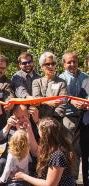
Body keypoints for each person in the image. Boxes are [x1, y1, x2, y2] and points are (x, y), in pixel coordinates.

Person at [14, 117, 76, 186]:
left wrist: (24, 176)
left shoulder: (57, 155)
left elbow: (50, 184)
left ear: (44, 134)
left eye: (39, 129)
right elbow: (35, 151)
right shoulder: (52, 147)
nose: (38, 131)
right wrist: (28, 128)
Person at [59, 51, 89, 179]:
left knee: (80, 150)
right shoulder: (61, 78)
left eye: (74, 61)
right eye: (69, 62)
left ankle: (74, 178)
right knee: (69, 149)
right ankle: (67, 178)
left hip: (84, 118)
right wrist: (71, 101)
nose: (72, 64)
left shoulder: (85, 77)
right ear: (63, 64)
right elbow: (60, 97)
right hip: (68, 118)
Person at [0, 105, 39, 185]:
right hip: (11, 156)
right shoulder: (11, 125)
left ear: (28, 116)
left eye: (23, 117)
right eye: (18, 117)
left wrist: (28, 130)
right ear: (13, 116)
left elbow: (35, 150)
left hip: (27, 157)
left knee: (35, 163)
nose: (21, 120)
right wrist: (7, 126)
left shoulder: (32, 126)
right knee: (1, 162)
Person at [32, 52, 67, 121]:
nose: (51, 66)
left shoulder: (62, 82)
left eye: (53, 63)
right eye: (48, 64)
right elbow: (36, 99)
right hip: (39, 119)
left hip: (56, 120)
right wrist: (49, 102)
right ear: (42, 67)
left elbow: (64, 99)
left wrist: (55, 118)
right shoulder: (36, 82)